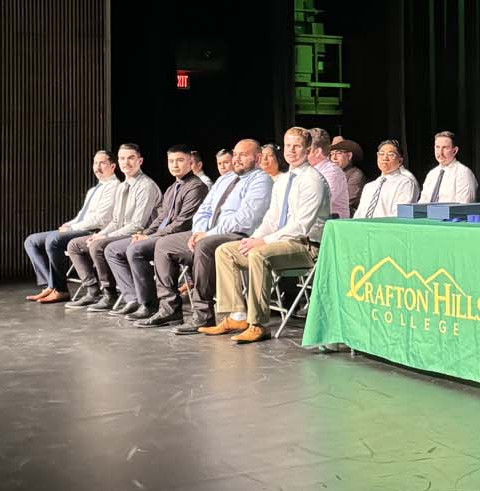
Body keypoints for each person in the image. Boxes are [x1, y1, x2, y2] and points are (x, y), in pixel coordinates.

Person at [204, 126, 330, 344]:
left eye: (297, 146)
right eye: (288, 145)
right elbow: (272, 219)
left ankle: (258, 324)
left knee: (259, 254)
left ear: (308, 149)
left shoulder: (313, 180)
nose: (291, 150)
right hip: (279, 243)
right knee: (226, 251)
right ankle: (237, 315)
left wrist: (263, 242)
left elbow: (301, 226)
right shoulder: (282, 180)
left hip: (306, 247)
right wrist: (255, 238)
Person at [140, 140, 274, 330]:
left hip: (238, 236)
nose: (236, 159)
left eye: (243, 155)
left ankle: (203, 315)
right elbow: (204, 210)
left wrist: (207, 234)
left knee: (205, 245)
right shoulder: (224, 179)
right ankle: (169, 309)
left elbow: (245, 219)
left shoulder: (262, 180)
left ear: (258, 158)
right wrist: (198, 232)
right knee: (164, 245)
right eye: (235, 154)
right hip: (206, 233)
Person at [95, 146, 206, 319]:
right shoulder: (172, 188)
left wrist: (150, 237)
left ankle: (149, 303)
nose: (175, 165)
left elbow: (181, 224)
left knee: (135, 249)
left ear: (190, 162)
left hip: (179, 238)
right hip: (160, 236)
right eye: (171, 161)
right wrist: (144, 233)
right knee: (112, 249)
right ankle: (134, 299)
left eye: (180, 160)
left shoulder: (196, 187)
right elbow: (161, 218)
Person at [66, 144, 161, 308]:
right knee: (75, 244)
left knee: (98, 245)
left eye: (131, 158)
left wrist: (105, 237)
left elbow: (137, 225)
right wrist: (101, 233)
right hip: (121, 232)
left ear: (140, 161)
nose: (126, 162)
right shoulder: (122, 186)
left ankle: (114, 294)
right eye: (122, 158)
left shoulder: (146, 186)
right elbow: (116, 221)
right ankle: (93, 290)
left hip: (142, 234)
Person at [23, 149, 119, 303]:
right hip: (80, 227)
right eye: (95, 163)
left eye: (102, 163)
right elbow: (83, 214)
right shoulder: (94, 189)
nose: (97, 167)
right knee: (31, 241)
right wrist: (68, 224)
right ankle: (50, 285)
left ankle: (60, 290)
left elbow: (100, 219)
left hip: (93, 231)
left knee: (53, 240)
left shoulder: (114, 187)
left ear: (113, 166)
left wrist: (72, 229)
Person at [353, 139, 420, 218]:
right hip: (364, 228)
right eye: (381, 154)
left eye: (391, 154)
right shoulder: (369, 186)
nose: (385, 158)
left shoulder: (405, 183)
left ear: (400, 161)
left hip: (386, 228)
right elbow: (359, 214)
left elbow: (400, 215)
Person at [418, 130, 478, 205]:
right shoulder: (431, 174)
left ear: (454, 151)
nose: (440, 152)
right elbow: (422, 203)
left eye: (445, 148)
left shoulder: (463, 173)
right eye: (437, 147)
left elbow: (463, 206)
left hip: (453, 216)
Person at [307, 128, 350, 218]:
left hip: (331, 228)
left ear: (317, 152)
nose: (302, 153)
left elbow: (320, 203)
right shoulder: (306, 170)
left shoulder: (333, 172)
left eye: (307, 150)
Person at [330, 137, 365, 213]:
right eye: (331, 154)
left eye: (338, 153)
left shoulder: (356, 174)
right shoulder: (330, 174)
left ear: (349, 156)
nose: (334, 158)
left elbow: (348, 201)